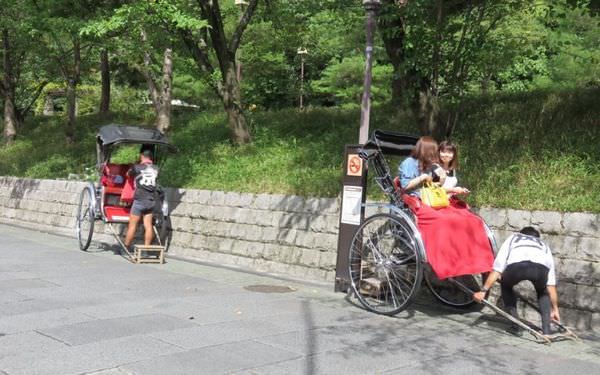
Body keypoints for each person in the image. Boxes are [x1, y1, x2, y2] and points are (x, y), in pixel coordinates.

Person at [398, 136, 494, 279]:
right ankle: (446, 262)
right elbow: (405, 187)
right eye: (433, 151)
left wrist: (444, 181)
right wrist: (423, 177)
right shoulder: (409, 163)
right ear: (424, 150)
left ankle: (474, 259)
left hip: (433, 199)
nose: (436, 155)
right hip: (416, 199)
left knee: (471, 219)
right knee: (442, 220)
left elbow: (437, 187)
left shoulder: (431, 164)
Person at [473, 226, 560, 336]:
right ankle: (546, 331)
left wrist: (483, 291)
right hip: (540, 270)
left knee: (505, 285)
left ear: (521, 233)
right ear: (537, 237)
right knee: (543, 293)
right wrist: (555, 309)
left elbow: (497, 269)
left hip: (517, 267)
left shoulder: (514, 238)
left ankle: (515, 326)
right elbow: (551, 285)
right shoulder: (544, 245)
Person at [124, 145, 159, 249]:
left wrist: (133, 167)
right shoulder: (156, 168)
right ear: (151, 157)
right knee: (148, 225)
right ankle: (146, 248)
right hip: (151, 201)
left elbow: (127, 175)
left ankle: (126, 246)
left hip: (139, 200)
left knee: (133, 225)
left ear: (141, 156)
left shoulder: (137, 167)